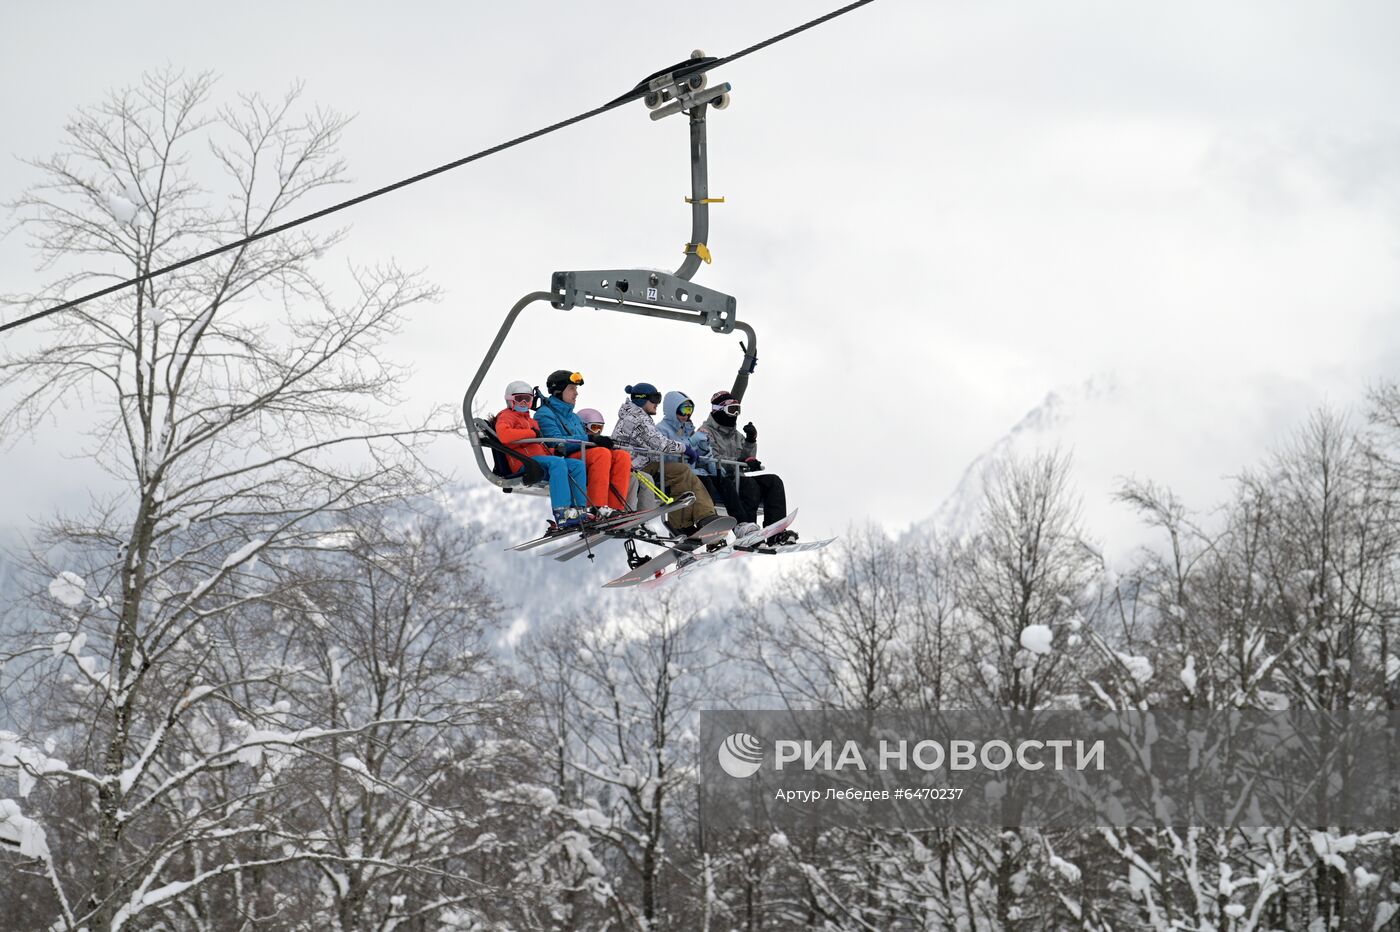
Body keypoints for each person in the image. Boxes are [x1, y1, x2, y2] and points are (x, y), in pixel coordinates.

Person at [612, 382, 719, 536]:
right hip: (632, 465)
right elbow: (658, 443)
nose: (657, 404)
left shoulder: (640, 416)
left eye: (659, 399)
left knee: (684, 474)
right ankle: (689, 522)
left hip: (643, 463)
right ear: (642, 399)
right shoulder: (635, 417)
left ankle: (697, 520)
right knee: (682, 472)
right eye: (654, 399)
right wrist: (685, 448)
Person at [657, 390, 761, 540]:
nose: (686, 414)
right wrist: (692, 446)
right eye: (683, 409)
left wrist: (749, 444)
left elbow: (706, 457)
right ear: (672, 410)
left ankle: (743, 526)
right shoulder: (663, 429)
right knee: (705, 483)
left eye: (689, 410)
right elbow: (665, 453)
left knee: (720, 479)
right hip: (679, 472)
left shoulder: (689, 430)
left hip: (698, 471)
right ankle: (705, 528)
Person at [698, 390, 796, 545]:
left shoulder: (736, 435)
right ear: (718, 410)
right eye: (731, 410)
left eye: (738, 409)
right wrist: (740, 461)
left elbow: (745, 456)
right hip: (719, 478)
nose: (735, 414)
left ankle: (776, 532)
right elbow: (712, 460)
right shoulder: (705, 433)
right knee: (749, 485)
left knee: (773, 481)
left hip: (737, 477)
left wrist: (751, 441)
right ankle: (749, 533)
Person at [534, 369, 632, 518]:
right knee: (601, 454)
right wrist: (590, 439)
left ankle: (614, 508)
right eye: (572, 388)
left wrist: (600, 441)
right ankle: (595, 507)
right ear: (558, 391)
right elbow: (554, 442)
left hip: (582, 453)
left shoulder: (573, 416)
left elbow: (584, 438)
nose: (576, 393)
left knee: (621, 456)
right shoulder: (544, 414)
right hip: (565, 457)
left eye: (576, 389)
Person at [494, 380, 589, 529]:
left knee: (576, 465)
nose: (524, 403)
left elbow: (540, 447)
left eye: (528, 399)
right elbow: (504, 435)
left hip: (540, 461)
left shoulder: (530, 421)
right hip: (525, 463)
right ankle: (562, 512)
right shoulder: (507, 416)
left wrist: (554, 451)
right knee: (556, 463)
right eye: (520, 399)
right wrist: (531, 433)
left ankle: (579, 510)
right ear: (510, 400)